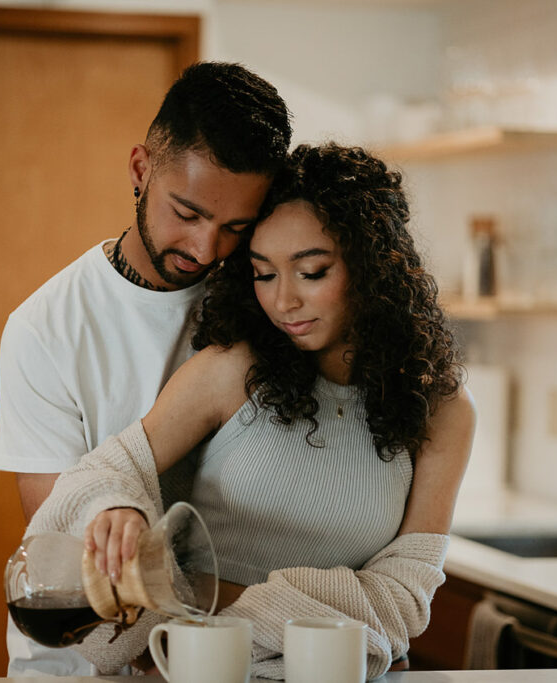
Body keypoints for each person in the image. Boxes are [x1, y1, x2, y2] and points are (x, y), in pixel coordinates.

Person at [27, 143, 477, 679]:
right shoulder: (233, 371)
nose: (284, 301)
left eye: (311, 272)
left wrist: (196, 594)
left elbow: (405, 597)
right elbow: (104, 472)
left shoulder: (442, 409)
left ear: (372, 266)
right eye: (264, 274)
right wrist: (116, 508)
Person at [0, 61, 292, 676]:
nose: (208, 250)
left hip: (222, 651)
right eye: (188, 213)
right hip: (84, 652)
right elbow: (64, 532)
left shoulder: (267, 304)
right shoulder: (46, 327)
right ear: (140, 169)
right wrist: (114, 510)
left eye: (235, 227)